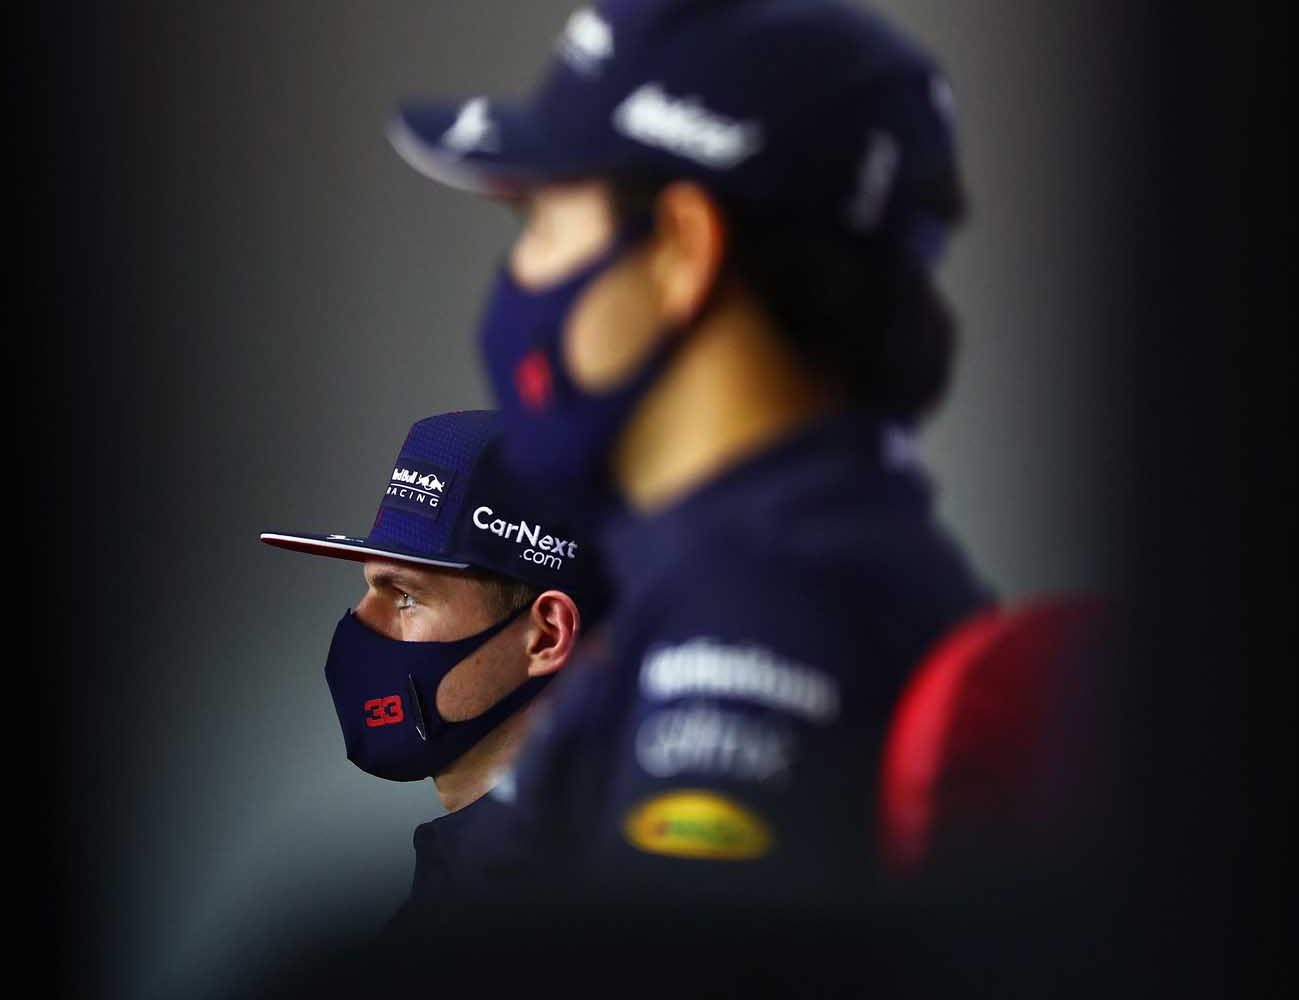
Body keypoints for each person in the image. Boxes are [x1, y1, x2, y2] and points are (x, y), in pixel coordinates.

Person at [382, 0, 994, 915]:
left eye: (540, 223)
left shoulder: (755, 611)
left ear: (679, 250)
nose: (520, 284)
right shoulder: (798, 556)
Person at [257, 408, 605, 932]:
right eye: (370, 586)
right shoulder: (477, 882)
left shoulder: (554, 915)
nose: (358, 623)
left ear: (548, 635)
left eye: (405, 596)